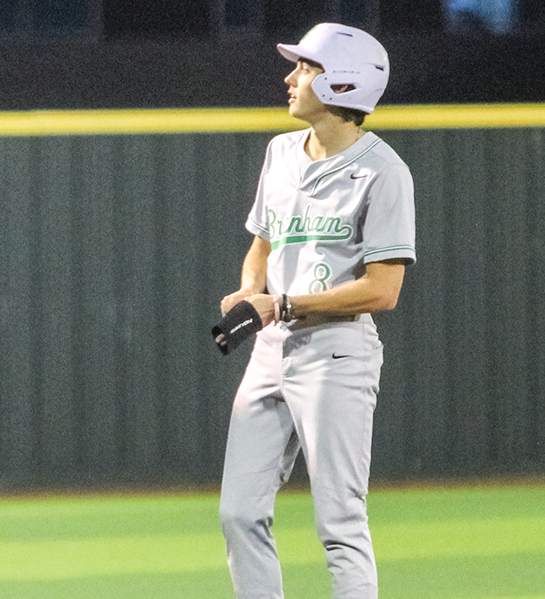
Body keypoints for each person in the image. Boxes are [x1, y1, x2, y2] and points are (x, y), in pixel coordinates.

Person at [216, 23, 415, 599]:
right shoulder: (280, 152)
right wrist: (250, 290)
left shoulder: (384, 171)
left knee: (340, 525)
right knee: (238, 512)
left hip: (338, 350)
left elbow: (383, 290)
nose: (290, 77)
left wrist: (279, 302)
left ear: (345, 83)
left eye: (306, 68)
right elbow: (264, 243)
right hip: (272, 350)